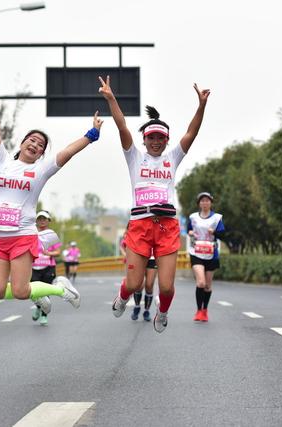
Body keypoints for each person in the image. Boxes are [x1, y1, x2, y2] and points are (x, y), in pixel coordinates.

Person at [99, 75, 210, 333]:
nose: (156, 142)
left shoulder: (173, 157)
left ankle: (162, 311)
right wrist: (111, 98)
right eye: (152, 138)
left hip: (167, 226)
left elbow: (191, 133)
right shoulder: (134, 157)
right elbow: (122, 127)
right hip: (139, 225)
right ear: (145, 140)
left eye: (161, 138)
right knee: (135, 283)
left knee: (168, 287)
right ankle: (123, 297)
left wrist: (201, 105)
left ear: (167, 141)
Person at [0, 88, 103, 309]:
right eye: (32, 140)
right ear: (22, 143)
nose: (35, 144)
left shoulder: (41, 170)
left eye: (40, 145)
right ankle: (38, 293)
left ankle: (60, 288)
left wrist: (91, 135)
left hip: (22, 236)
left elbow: (67, 152)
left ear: (41, 153)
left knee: (20, 291)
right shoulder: (4, 161)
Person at [188, 192, 225, 322]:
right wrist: (191, 232)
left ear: (211, 203)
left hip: (211, 253)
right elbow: (189, 230)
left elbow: (223, 234)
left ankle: (205, 310)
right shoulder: (193, 217)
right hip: (196, 251)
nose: (205, 203)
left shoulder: (217, 218)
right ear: (199, 203)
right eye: (202, 201)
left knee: (208, 286)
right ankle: (198, 310)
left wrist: (214, 232)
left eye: (207, 200)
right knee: (201, 282)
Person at [30, 210, 62, 326]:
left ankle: (44, 315)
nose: (42, 221)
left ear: (48, 221)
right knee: (34, 292)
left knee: (46, 292)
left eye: (44, 219)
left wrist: (49, 253)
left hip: (48, 267)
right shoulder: (32, 233)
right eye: (40, 219)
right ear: (36, 221)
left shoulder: (51, 235)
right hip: (34, 267)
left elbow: (58, 251)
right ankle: (38, 306)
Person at [130, 253, 157, 322]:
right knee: (139, 285)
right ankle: (137, 306)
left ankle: (146, 311)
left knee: (149, 285)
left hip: (153, 258)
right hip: (140, 255)